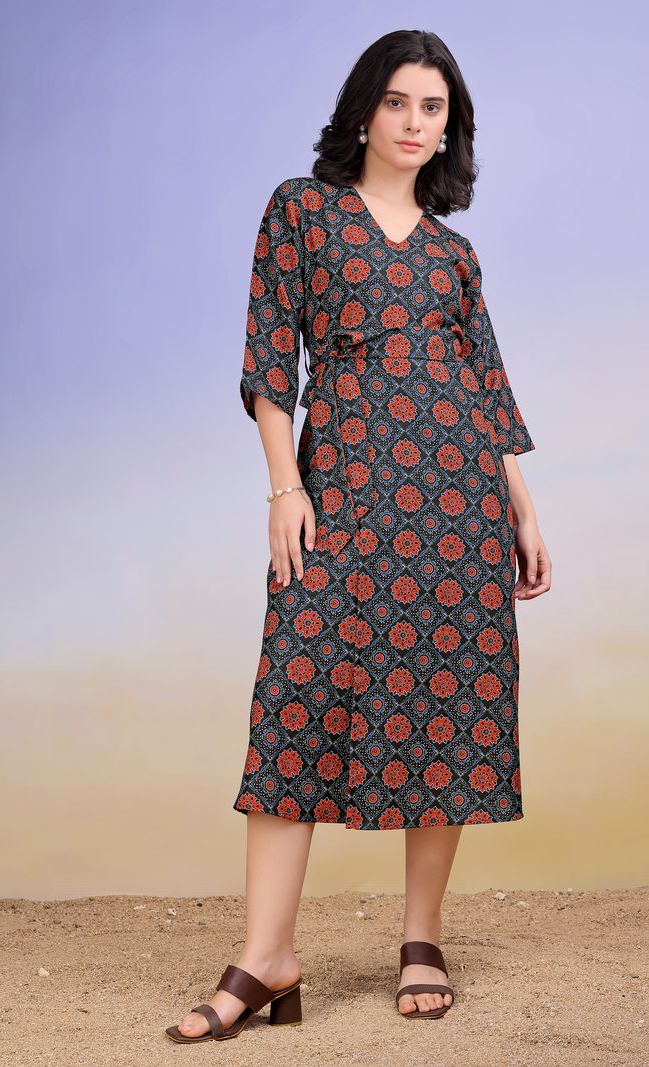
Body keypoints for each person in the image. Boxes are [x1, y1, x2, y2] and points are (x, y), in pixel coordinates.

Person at [166, 28, 551, 1045]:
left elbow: (487, 386)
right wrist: (283, 485)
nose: (415, 123)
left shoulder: (455, 257)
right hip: (340, 489)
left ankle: (421, 938)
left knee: (446, 703)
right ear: (364, 109)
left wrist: (521, 508)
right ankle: (266, 954)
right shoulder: (302, 209)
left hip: (456, 505)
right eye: (397, 102)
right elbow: (268, 355)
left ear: (449, 127)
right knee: (294, 694)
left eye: (434, 108)